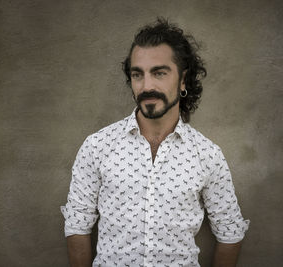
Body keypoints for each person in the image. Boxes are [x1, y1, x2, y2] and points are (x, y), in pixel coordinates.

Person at [61, 18, 249, 267]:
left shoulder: (207, 154)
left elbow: (230, 231)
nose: (147, 85)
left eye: (159, 73)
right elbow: (77, 223)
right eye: (138, 74)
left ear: (183, 80)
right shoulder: (98, 146)